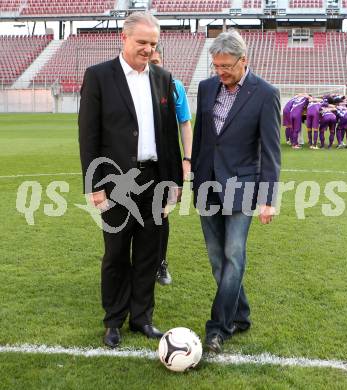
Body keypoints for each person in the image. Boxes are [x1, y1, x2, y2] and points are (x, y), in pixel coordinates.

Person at [78, 12, 183, 348]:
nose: (148, 49)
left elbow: (169, 137)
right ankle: (113, 321)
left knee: (149, 254)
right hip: (115, 182)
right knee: (116, 253)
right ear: (123, 38)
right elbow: (88, 135)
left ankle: (142, 318)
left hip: (154, 180)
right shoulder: (98, 77)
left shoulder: (163, 78)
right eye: (142, 42)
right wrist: (94, 184)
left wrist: (174, 183)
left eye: (153, 44)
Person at [192, 30, 281, 353]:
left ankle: (218, 328)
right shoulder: (205, 88)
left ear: (244, 61)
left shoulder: (265, 93)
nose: (220, 72)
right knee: (218, 260)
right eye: (216, 66)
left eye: (226, 66)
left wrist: (268, 199)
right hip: (207, 186)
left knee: (233, 254)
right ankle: (240, 314)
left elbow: (271, 152)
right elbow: (203, 137)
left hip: (242, 187)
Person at [149, 44, 193, 286]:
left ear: (162, 63)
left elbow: (185, 124)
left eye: (156, 63)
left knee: (161, 214)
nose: (152, 67)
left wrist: (187, 159)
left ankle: (160, 264)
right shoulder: (134, 88)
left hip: (166, 164)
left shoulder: (174, 87)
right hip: (136, 166)